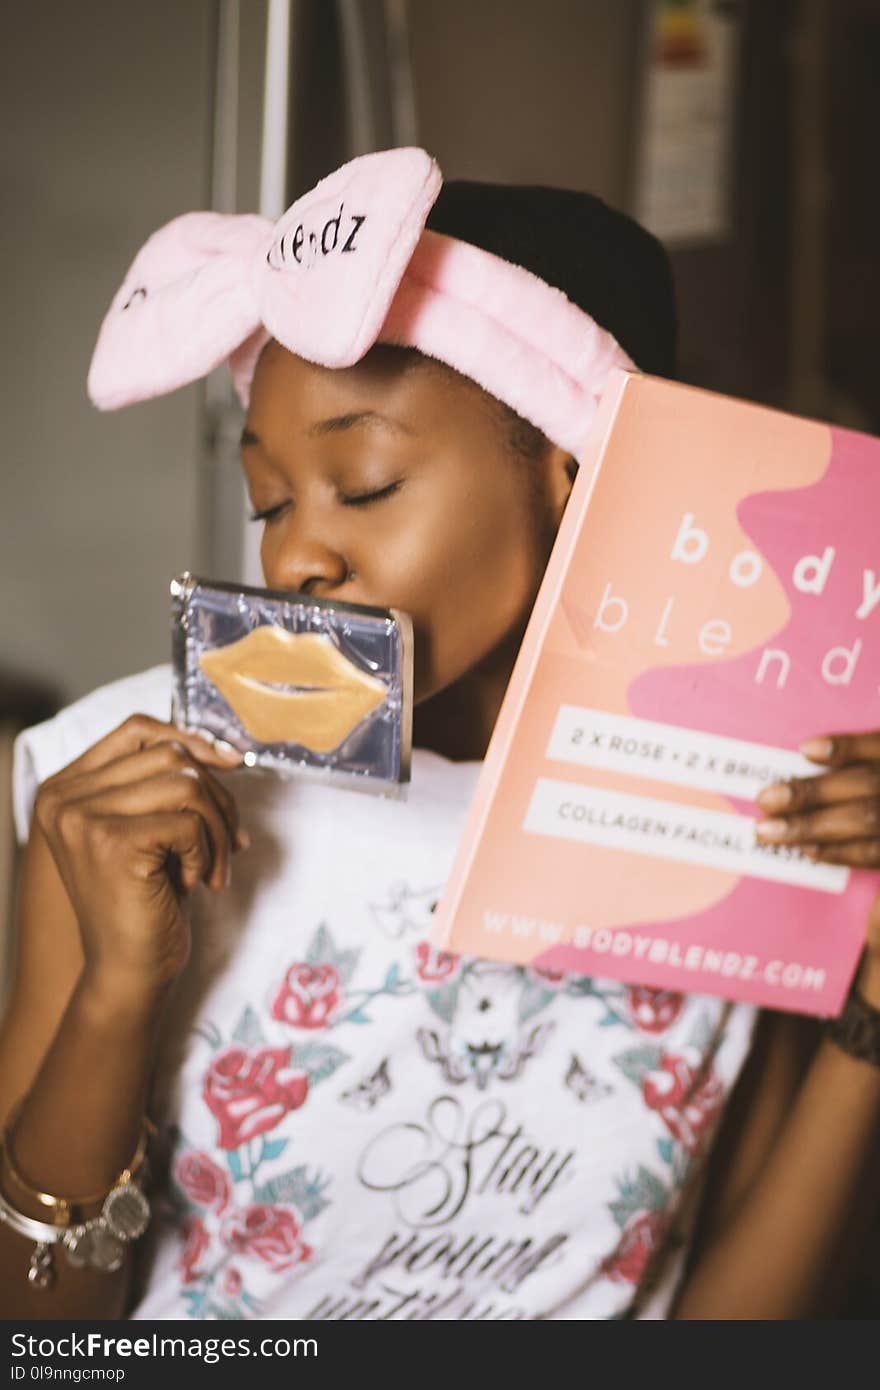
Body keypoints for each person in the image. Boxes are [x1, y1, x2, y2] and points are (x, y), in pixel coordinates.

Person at [1, 148, 878, 1322]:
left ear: (572, 471)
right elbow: (37, 1333)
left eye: (360, 483)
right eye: (271, 500)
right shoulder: (114, 786)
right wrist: (117, 986)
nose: (295, 555)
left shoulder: (750, 793)